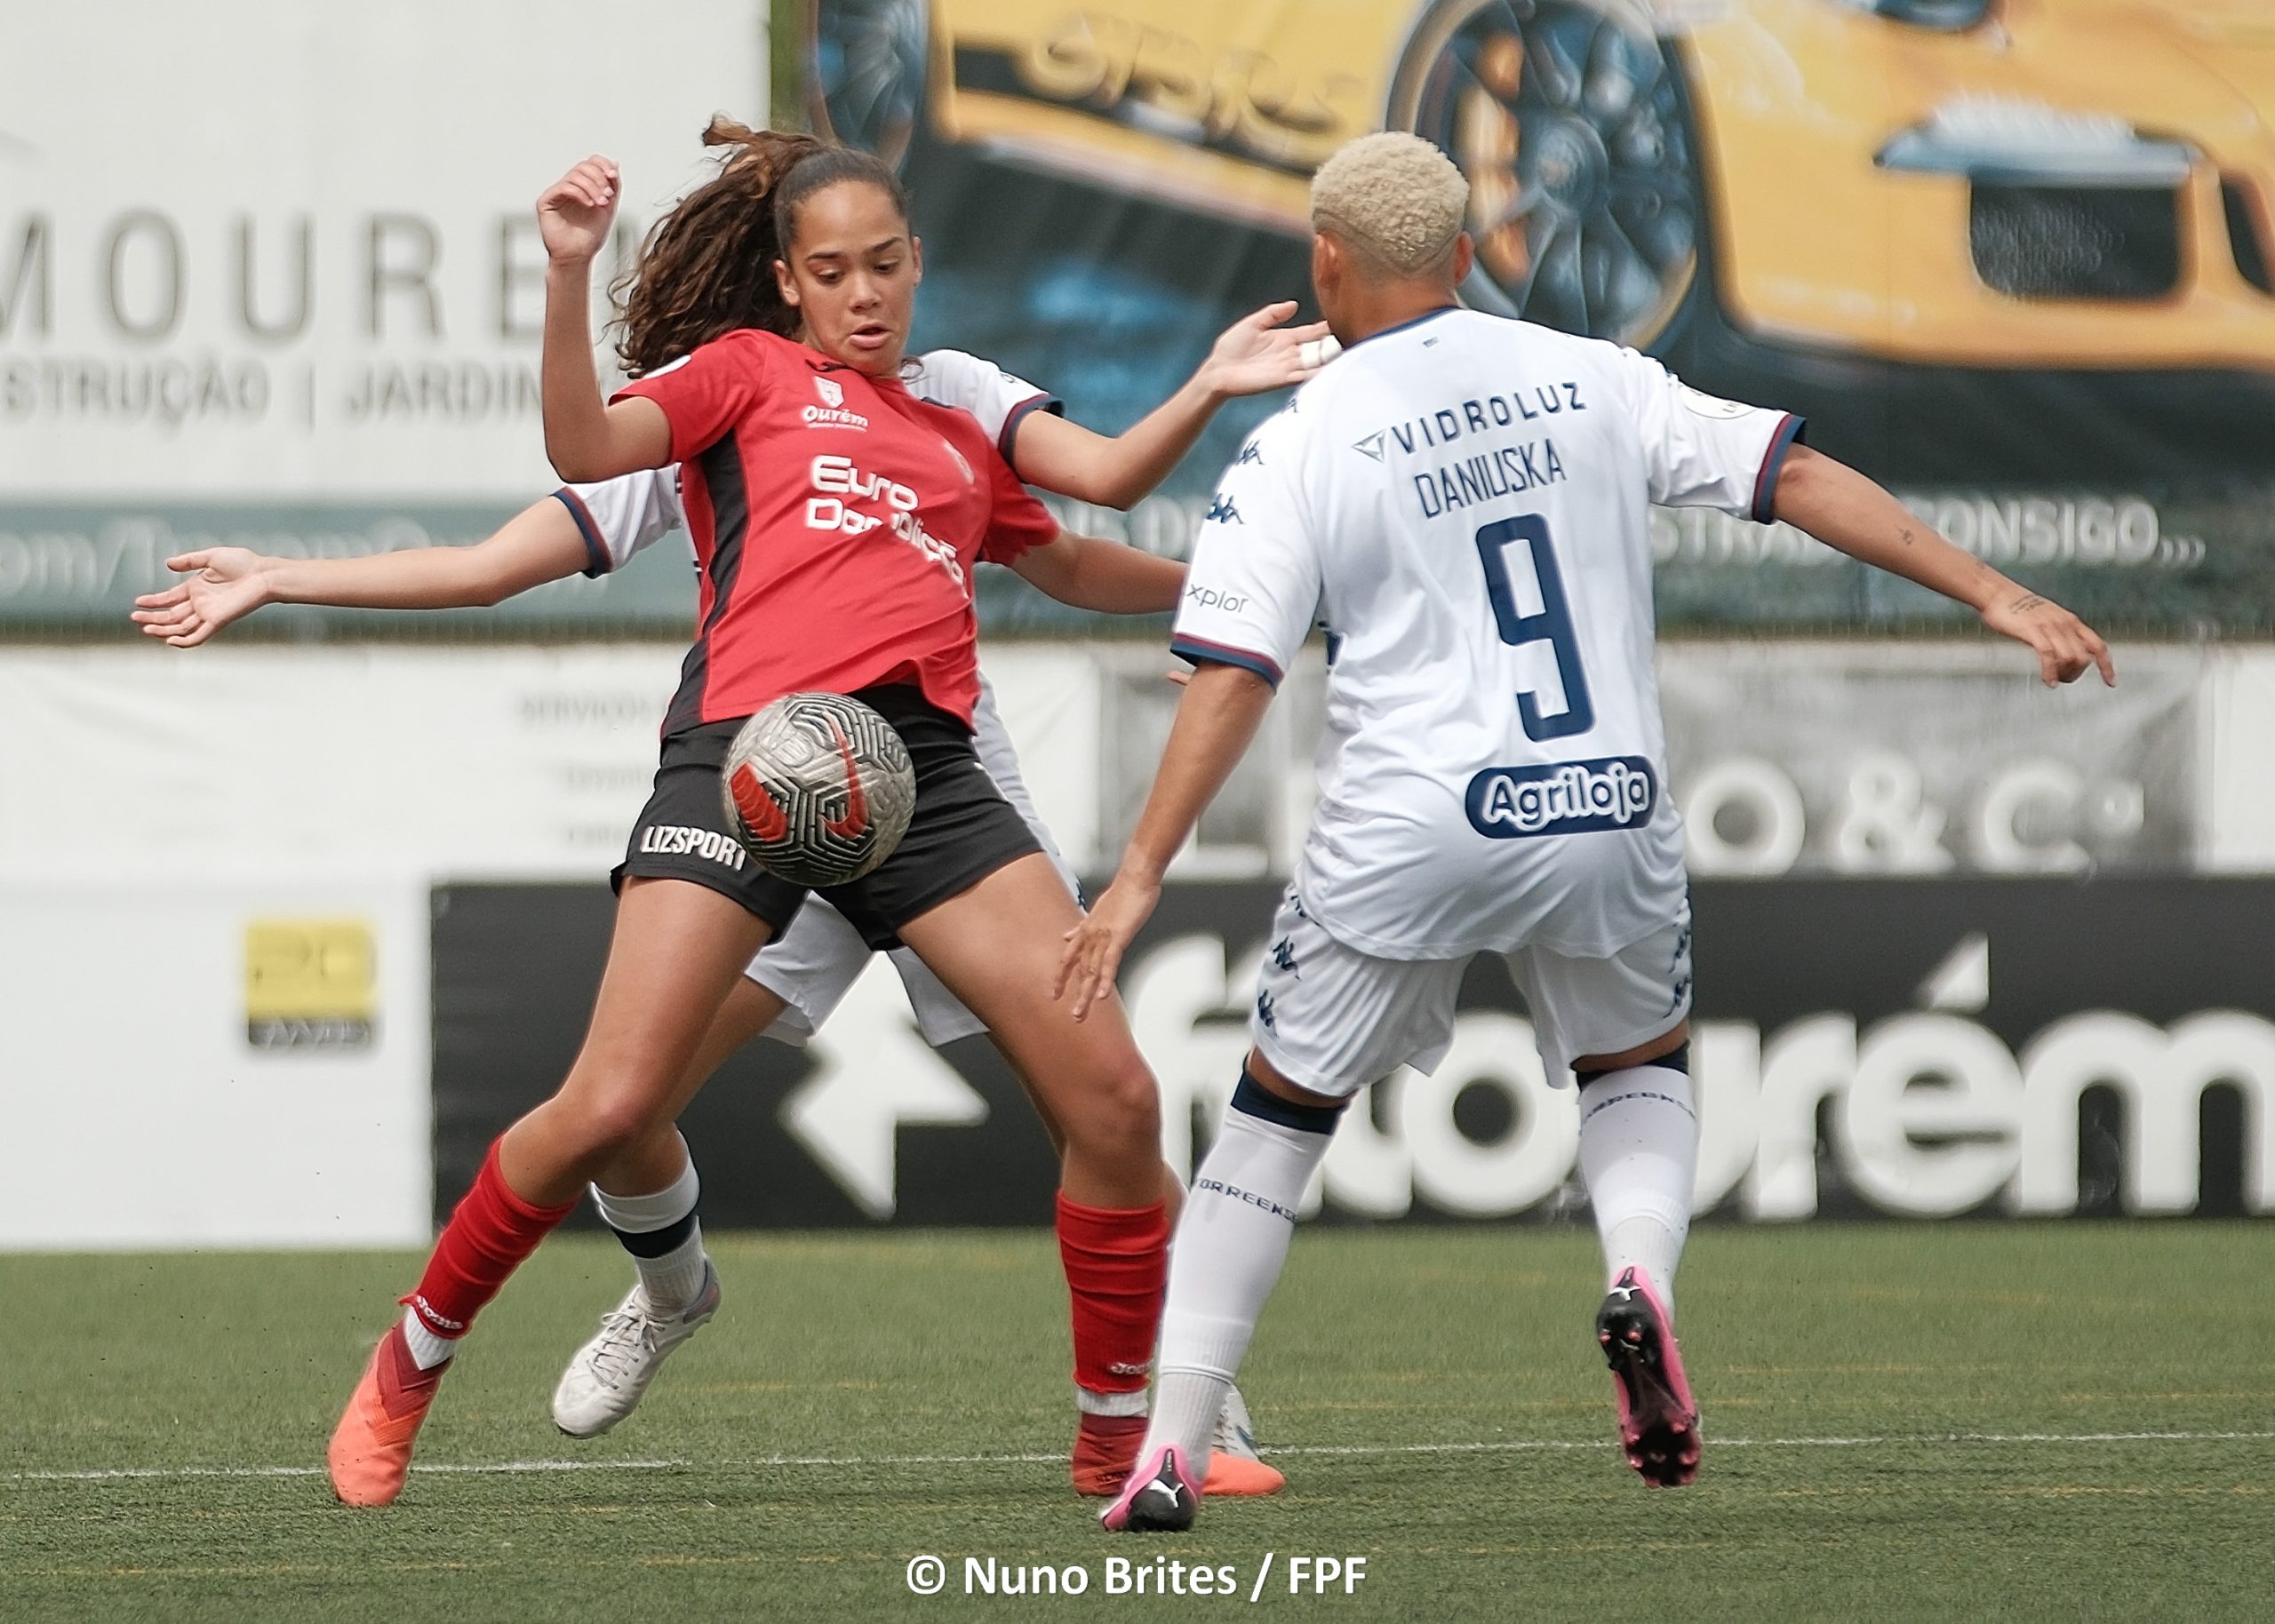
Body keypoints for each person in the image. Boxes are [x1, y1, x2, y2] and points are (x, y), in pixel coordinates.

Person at [1057, 131, 2118, 1532]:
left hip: (1414, 825)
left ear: (1325, 260)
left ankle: (1176, 1448)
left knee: (1274, 1124)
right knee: (1634, 1070)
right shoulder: (1596, 374)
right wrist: (1998, 596)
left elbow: (1235, 673)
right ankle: (1638, 1282)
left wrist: (1137, 878)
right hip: (1605, 806)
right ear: (1462, 251)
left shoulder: (1301, 436)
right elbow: (1792, 473)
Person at [266, 122, 1293, 1509]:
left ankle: (1125, 1443)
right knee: (615, 1104)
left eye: (885, 265)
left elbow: (1090, 524)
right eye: (832, 270)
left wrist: (1234, 527)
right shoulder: (739, 380)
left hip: (923, 777)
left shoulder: (953, 424)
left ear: (918, 264)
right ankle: (410, 1367)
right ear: (786, 281)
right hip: (754, 765)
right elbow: (574, 446)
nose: (864, 292)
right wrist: (567, 273)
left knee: (1111, 1098)